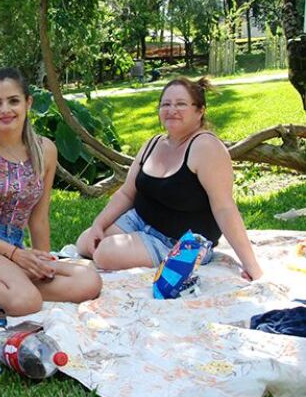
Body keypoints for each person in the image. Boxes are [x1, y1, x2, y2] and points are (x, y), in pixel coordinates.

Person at [0, 67, 102, 316]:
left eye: (13, 101)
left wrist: (41, 262)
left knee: (88, 280)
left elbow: (39, 217)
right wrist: (14, 255)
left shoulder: (45, 150)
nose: (5, 110)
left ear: (28, 103)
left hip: (15, 250)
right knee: (27, 301)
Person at [75, 76, 263, 280]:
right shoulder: (153, 143)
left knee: (104, 253)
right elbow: (127, 193)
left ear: (200, 111)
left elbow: (224, 208)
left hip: (182, 242)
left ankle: (139, 248)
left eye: (181, 104)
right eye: (166, 104)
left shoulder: (206, 148)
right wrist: (98, 224)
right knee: (85, 243)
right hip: (140, 222)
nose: (172, 110)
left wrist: (251, 266)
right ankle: (132, 243)